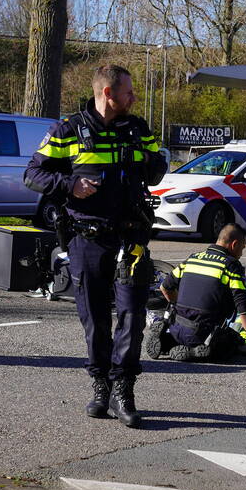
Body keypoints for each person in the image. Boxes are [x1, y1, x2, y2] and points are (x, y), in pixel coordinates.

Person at [24, 64, 167, 429]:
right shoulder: (67, 129)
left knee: (133, 318)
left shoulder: (137, 128)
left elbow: (156, 169)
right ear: (108, 93)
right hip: (87, 239)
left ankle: (124, 391)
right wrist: (70, 185)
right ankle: (100, 386)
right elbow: (33, 174)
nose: (134, 98)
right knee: (96, 322)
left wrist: (152, 161)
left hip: (131, 238)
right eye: (129, 92)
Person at [158, 223, 246, 366]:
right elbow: (244, 307)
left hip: (177, 327)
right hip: (205, 334)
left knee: (184, 316)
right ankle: (196, 352)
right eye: (242, 248)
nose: (241, 253)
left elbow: (165, 287)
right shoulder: (231, 266)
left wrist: (176, 305)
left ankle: (167, 341)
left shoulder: (193, 258)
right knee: (233, 343)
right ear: (234, 244)